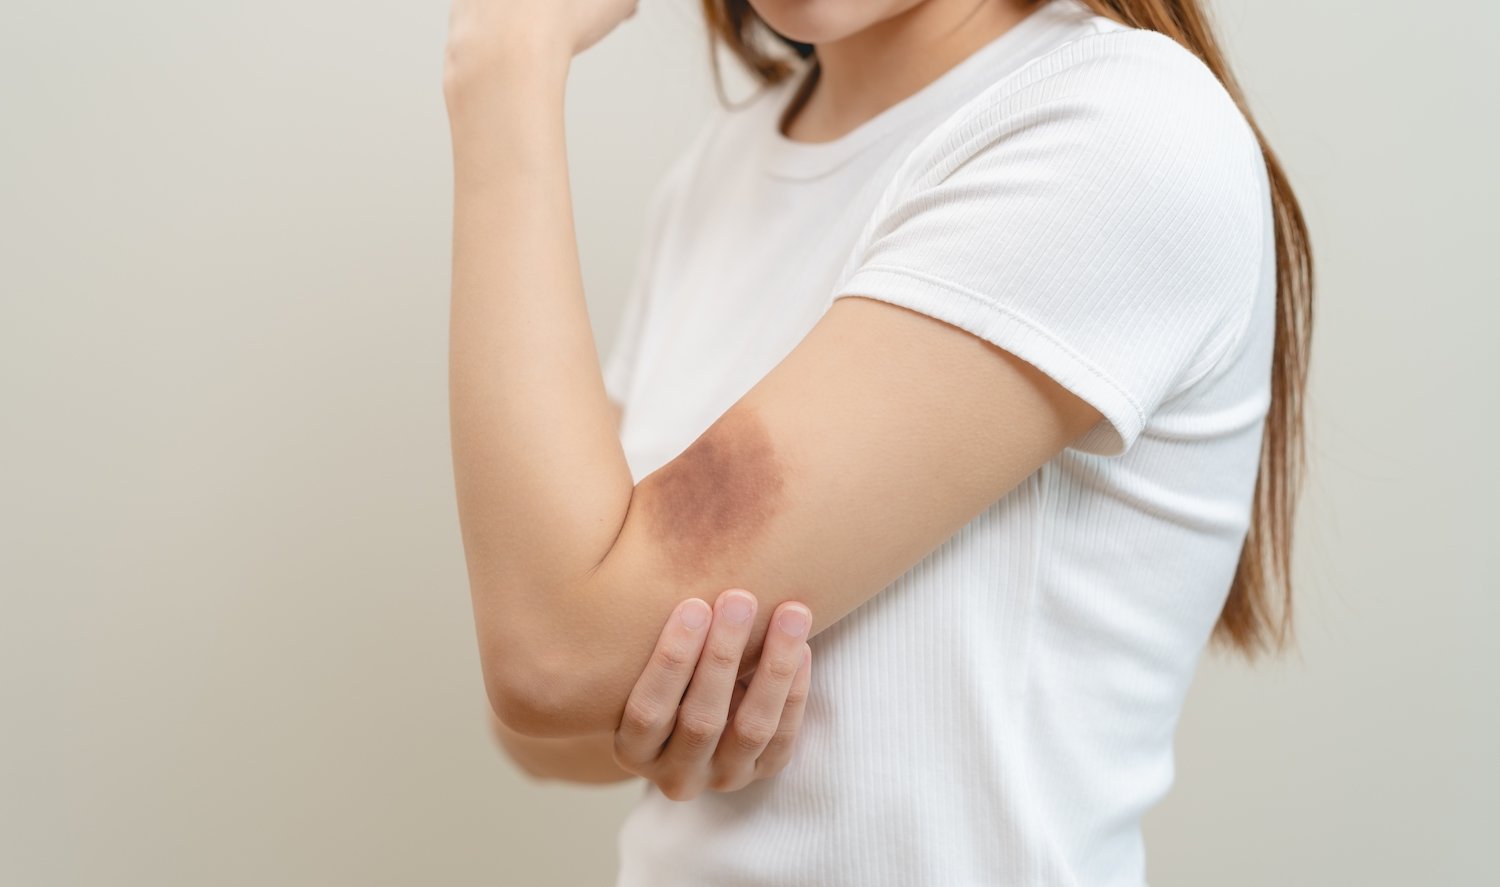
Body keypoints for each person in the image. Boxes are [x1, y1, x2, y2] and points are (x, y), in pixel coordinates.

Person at [442, 0, 1314, 883]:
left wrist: (503, 67)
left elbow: (550, 653)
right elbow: (532, 718)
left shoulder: (1115, 128)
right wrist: (666, 712)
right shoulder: (718, 170)